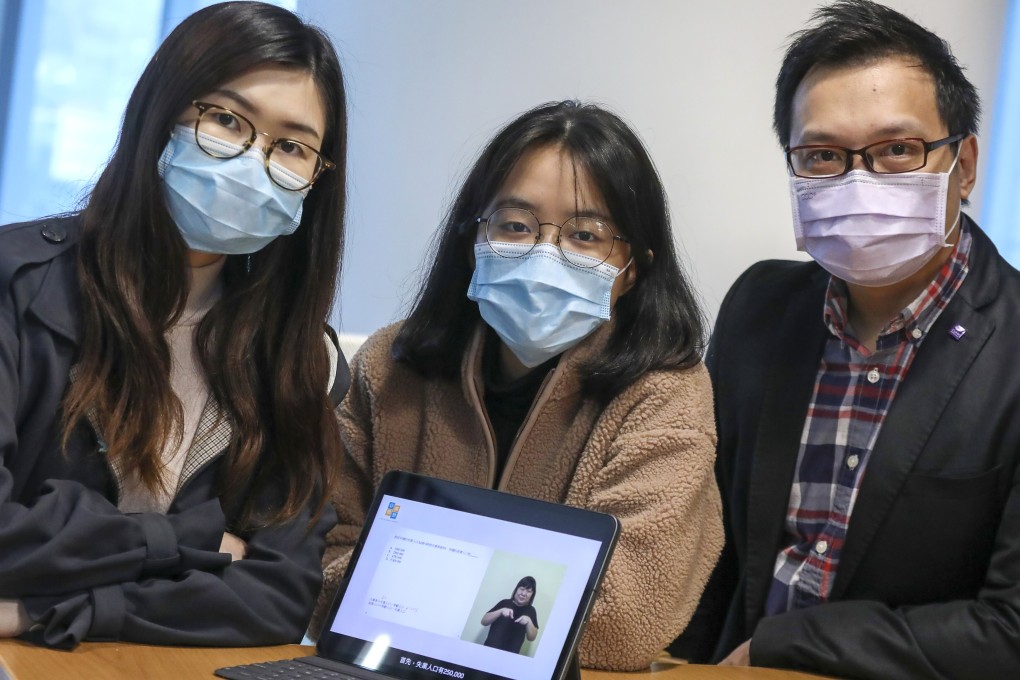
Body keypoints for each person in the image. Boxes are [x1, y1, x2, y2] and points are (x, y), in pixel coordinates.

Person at [670, 1, 1020, 677]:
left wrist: (787, 645)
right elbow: (711, 548)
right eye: (823, 155)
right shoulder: (761, 307)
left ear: (965, 164)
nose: (860, 180)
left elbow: (1009, 628)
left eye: (897, 149)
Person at [311, 101, 723, 671]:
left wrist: (400, 589)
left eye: (585, 234)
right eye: (515, 225)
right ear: (473, 238)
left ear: (633, 268)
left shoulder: (664, 392)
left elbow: (624, 622)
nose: (543, 252)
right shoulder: (391, 365)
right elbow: (320, 564)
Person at [0, 2, 349, 648]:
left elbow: (277, 595)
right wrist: (186, 540)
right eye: (225, 119)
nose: (253, 161)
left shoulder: (294, 354)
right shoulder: (16, 283)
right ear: (161, 113)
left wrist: (49, 608)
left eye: (293, 148)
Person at [480, 576, 540, 654]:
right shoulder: (504, 602)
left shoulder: (531, 611)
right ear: (516, 589)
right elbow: (484, 622)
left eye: (528, 591)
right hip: (488, 650)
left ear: (532, 594)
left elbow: (531, 638)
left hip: (510, 657)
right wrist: (500, 611)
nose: (523, 593)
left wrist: (529, 621)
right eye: (522, 589)